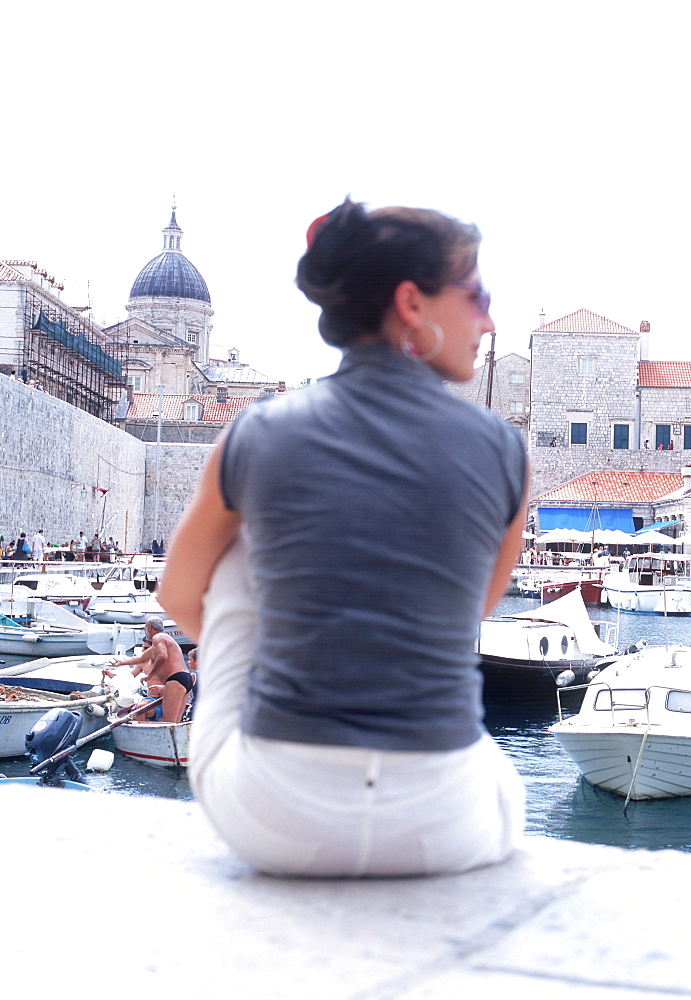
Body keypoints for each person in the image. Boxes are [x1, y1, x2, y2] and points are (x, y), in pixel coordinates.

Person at [158, 197, 527, 879]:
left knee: (240, 549)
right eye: (477, 295)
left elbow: (180, 595)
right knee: (498, 779)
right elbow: (463, 614)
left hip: (275, 820)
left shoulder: (258, 432)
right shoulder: (504, 451)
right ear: (411, 304)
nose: (489, 321)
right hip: (440, 827)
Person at [105, 618, 193, 724]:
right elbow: (140, 658)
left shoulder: (158, 637)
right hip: (185, 680)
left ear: (149, 627)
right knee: (175, 724)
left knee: (169, 724)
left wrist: (149, 675)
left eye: (145, 628)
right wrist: (121, 662)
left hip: (175, 679)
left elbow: (162, 656)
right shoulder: (165, 641)